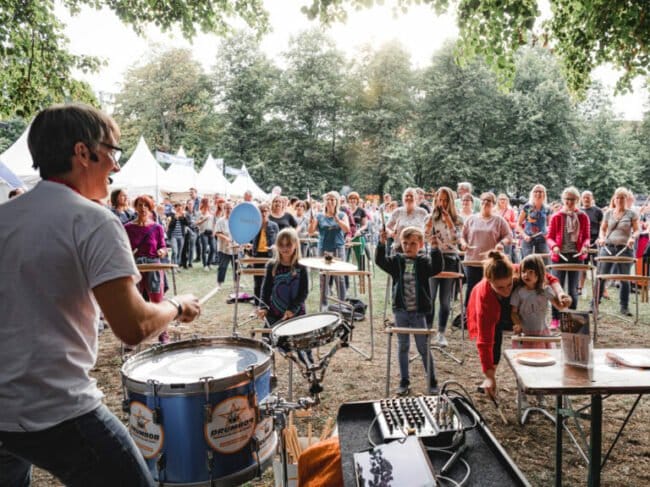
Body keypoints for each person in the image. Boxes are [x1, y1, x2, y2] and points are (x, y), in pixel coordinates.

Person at [0, 103, 200, 487]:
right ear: (82, 152)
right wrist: (176, 305)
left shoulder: (5, 216)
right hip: (56, 409)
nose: (117, 167)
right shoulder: (92, 220)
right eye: (112, 151)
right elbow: (134, 325)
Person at [467, 251, 569, 398]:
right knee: (494, 338)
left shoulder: (518, 271)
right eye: (500, 287)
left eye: (509, 284)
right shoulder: (485, 299)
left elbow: (547, 276)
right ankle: (490, 378)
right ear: (490, 282)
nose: (507, 290)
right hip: (489, 305)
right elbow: (484, 342)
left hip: (513, 306)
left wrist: (560, 294)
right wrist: (489, 376)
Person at [376, 226, 444, 395]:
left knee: (423, 347)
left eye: (413, 244)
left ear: (420, 244)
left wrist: (435, 248)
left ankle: (432, 380)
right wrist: (381, 243)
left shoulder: (423, 262)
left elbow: (437, 268)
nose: (408, 247)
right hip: (401, 311)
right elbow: (380, 261)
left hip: (419, 312)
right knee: (403, 346)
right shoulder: (396, 261)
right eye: (405, 243)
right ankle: (404, 380)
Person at [546, 186, 590, 329]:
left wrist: (585, 246)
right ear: (563, 200)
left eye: (572, 199)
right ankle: (555, 318)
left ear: (577, 200)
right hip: (559, 257)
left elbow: (587, 238)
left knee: (572, 290)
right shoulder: (557, 216)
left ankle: (571, 317)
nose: (569, 202)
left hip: (576, 257)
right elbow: (550, 237)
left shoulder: (583, 216)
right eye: (567, 199)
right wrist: (554, 247)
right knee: (557, 288)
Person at [460, 191, 511, 308]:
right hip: (472, 260)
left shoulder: (499, 220)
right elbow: (462, 236)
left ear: (493, 204)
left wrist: (501, 243)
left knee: (490, 288)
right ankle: (468, 315)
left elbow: (509, 236)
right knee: (472, 287)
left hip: (490, 262)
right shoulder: (471, 219)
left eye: (489, 201)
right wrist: (463, 243)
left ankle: (490, 315)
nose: (486, 203)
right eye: (483, 200)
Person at [425, 187, 463, 346]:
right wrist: (428, 225)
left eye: (445, 200)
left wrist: (448, 220)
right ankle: (427, 331)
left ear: (450, 202)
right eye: (440, 200)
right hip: (434, 258)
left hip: (450, 260)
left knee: (445, 301)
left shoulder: (457, 218)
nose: (442, 203)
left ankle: (441, 333)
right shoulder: (431, 217)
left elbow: (456, 240)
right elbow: (425, 237)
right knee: (430, 298)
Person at [596, 187, 639, 316]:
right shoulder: (608, 213)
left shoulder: (631, 213)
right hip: (608, 248)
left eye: (622, 197)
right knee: (601, 277)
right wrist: (602, 238)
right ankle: (594, 304)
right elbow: (602, 229)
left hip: (624, 250)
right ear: (614, 199)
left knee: (624, 279)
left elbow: (637, 230)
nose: (620, 200)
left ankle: (624, 307)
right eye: (618, 197)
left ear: (626, 200)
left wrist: (632, 238)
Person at [308, 191, 350, 311]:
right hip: (323, 249)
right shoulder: (319, 216)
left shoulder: (342, 215)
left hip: (338, 248)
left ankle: (342, 304)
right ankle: (324, 305)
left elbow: (346, 229)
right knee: (323, 277)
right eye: (328, 199)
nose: (330, 202)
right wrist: (311, 223)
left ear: (337, 201)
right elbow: (311, 232)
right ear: (325, 201)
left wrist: (337, 220)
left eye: (333, 199)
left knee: (339, 277)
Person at [258, 228, 309, 326]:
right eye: (281, 245)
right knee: (269, 340)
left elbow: (304, 292)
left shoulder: (301, 266)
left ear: (295, 245)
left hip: (297, 312)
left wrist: (292, 309)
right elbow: (266, 289)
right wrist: (263, 307)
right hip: (274, 312)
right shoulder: (271, 265)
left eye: (288, 245)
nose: (285, 248)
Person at [510, 255, 563, 349]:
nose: (526, 275)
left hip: (542, 332)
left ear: (539, 273)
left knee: (543, 356)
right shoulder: (519, 291)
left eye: (530, 272)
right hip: (525, 333)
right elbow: (513, 312)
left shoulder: (546, 290)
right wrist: (517, 324)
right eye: (523, 272)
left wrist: (564, 299)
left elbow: (559, 306)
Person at [250, 202, 280, 305]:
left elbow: (278, 240)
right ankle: (257, 302)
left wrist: (274, 246)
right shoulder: (255, 225)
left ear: (269, 212)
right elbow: (250, 239)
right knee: (257, 280)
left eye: (265, 211)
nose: (263, 213)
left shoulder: (274, 225)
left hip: (269, 255)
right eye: (261, 211)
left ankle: (269, 301)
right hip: (257, 254)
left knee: (269, 279)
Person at [386, 187, 428, 252]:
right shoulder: (397, 212)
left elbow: (429, 229)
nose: (408, 198)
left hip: (418, 249)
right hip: (399, 248)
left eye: (411, 196)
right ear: (403, 198)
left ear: (416, 198)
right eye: (406, 196)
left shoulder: (422, 212)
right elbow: (386, 227)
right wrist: (391, 233)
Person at [516, 184, 551, 261]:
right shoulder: (527, 207)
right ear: (532, 193)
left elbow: (550, 225)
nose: (538, 193)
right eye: (536, 191)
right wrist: (524, 235)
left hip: (542, 239)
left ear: (544, 194)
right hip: (528, 239)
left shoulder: (547, 209)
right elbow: (518, 224)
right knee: (528, 263)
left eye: (540, 192)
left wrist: (547, 233)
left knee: (545, 263)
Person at [214, 201, 239, 290]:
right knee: (222, 266)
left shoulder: (237, 220)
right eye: (227, 208)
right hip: (224, 248)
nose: (228, 210)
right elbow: (217, 233)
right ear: (224, 209)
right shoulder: (220, 221)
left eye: (230, 208)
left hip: (235, 247)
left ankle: (236, 283)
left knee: (236, 266)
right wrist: (225, 238)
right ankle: (219, 283)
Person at [167, 203, 190, 269]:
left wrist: (184, 217)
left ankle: (177, 266)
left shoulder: (183, 216)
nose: (179, 209)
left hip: (181, 236)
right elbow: (170, 226)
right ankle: (173, 266)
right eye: (178, 207)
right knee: (175, 251)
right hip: (173, 236)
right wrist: (175, 218)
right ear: (175, 208)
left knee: (179, 252)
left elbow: (187, 223)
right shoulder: (171, 215)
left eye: (180, 207)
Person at [196, 197, 216, 271]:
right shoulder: (199, 212)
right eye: (208, 202)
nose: (209, 204)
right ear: (204, 203)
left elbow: (214, 223)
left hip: (211, 232)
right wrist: (204, 219)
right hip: (203, 232)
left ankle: (209, 263)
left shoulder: (211, 213)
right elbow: (197, 223)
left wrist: (214, 231)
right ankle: (205, 265)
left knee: (213, 248)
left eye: (209, 202)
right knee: (204, 249)